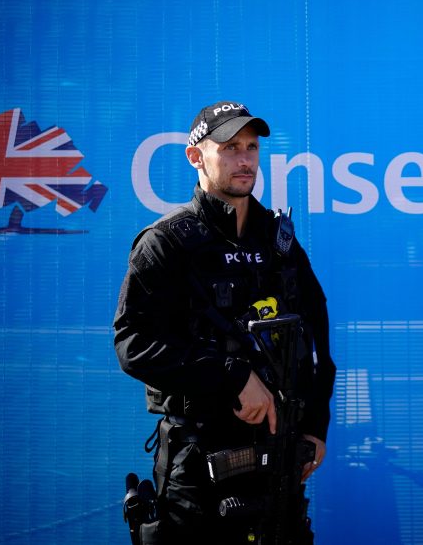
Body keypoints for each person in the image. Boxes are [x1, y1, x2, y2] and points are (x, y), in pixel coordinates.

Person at [114, 100, 335, 544]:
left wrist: (314, 424)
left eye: (251, 148)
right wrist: (232, 376)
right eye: (230, 147)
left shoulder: (280, 242)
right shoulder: (165, 244)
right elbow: (132, 344)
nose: (245, 159)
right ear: (196, 156)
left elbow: (317, 343)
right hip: (200, 468)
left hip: (278, 463)